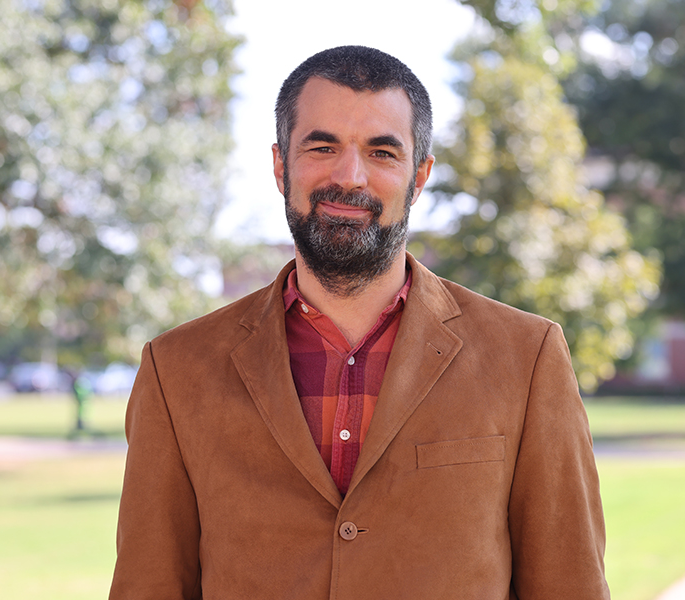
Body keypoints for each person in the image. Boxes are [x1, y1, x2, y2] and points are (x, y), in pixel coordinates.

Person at [109, 45, 610, 600]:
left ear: (419, 176)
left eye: (381, 152)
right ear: (281, 166)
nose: (350, 177)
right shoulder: (176, 368)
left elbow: (571, 586)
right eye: (322, 147)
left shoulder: (527, 356)